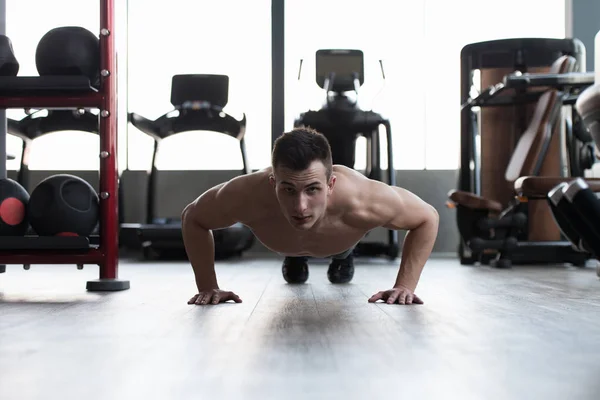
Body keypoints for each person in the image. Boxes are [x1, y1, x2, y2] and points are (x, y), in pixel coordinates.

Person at [182, 127, 439, 306]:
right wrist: (208, 287)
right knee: (294, 270)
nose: (301, 206)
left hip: (340, 240)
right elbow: (193, 217)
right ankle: (295, 258)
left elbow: (427, 217)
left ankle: (343, 257)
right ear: (273, 183)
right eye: (288, 189)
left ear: (331, 184)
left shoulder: (363, 200)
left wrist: (405, 285)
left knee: (340, 259)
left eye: (313, 189)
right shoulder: (246, 194)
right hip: (285, 239)